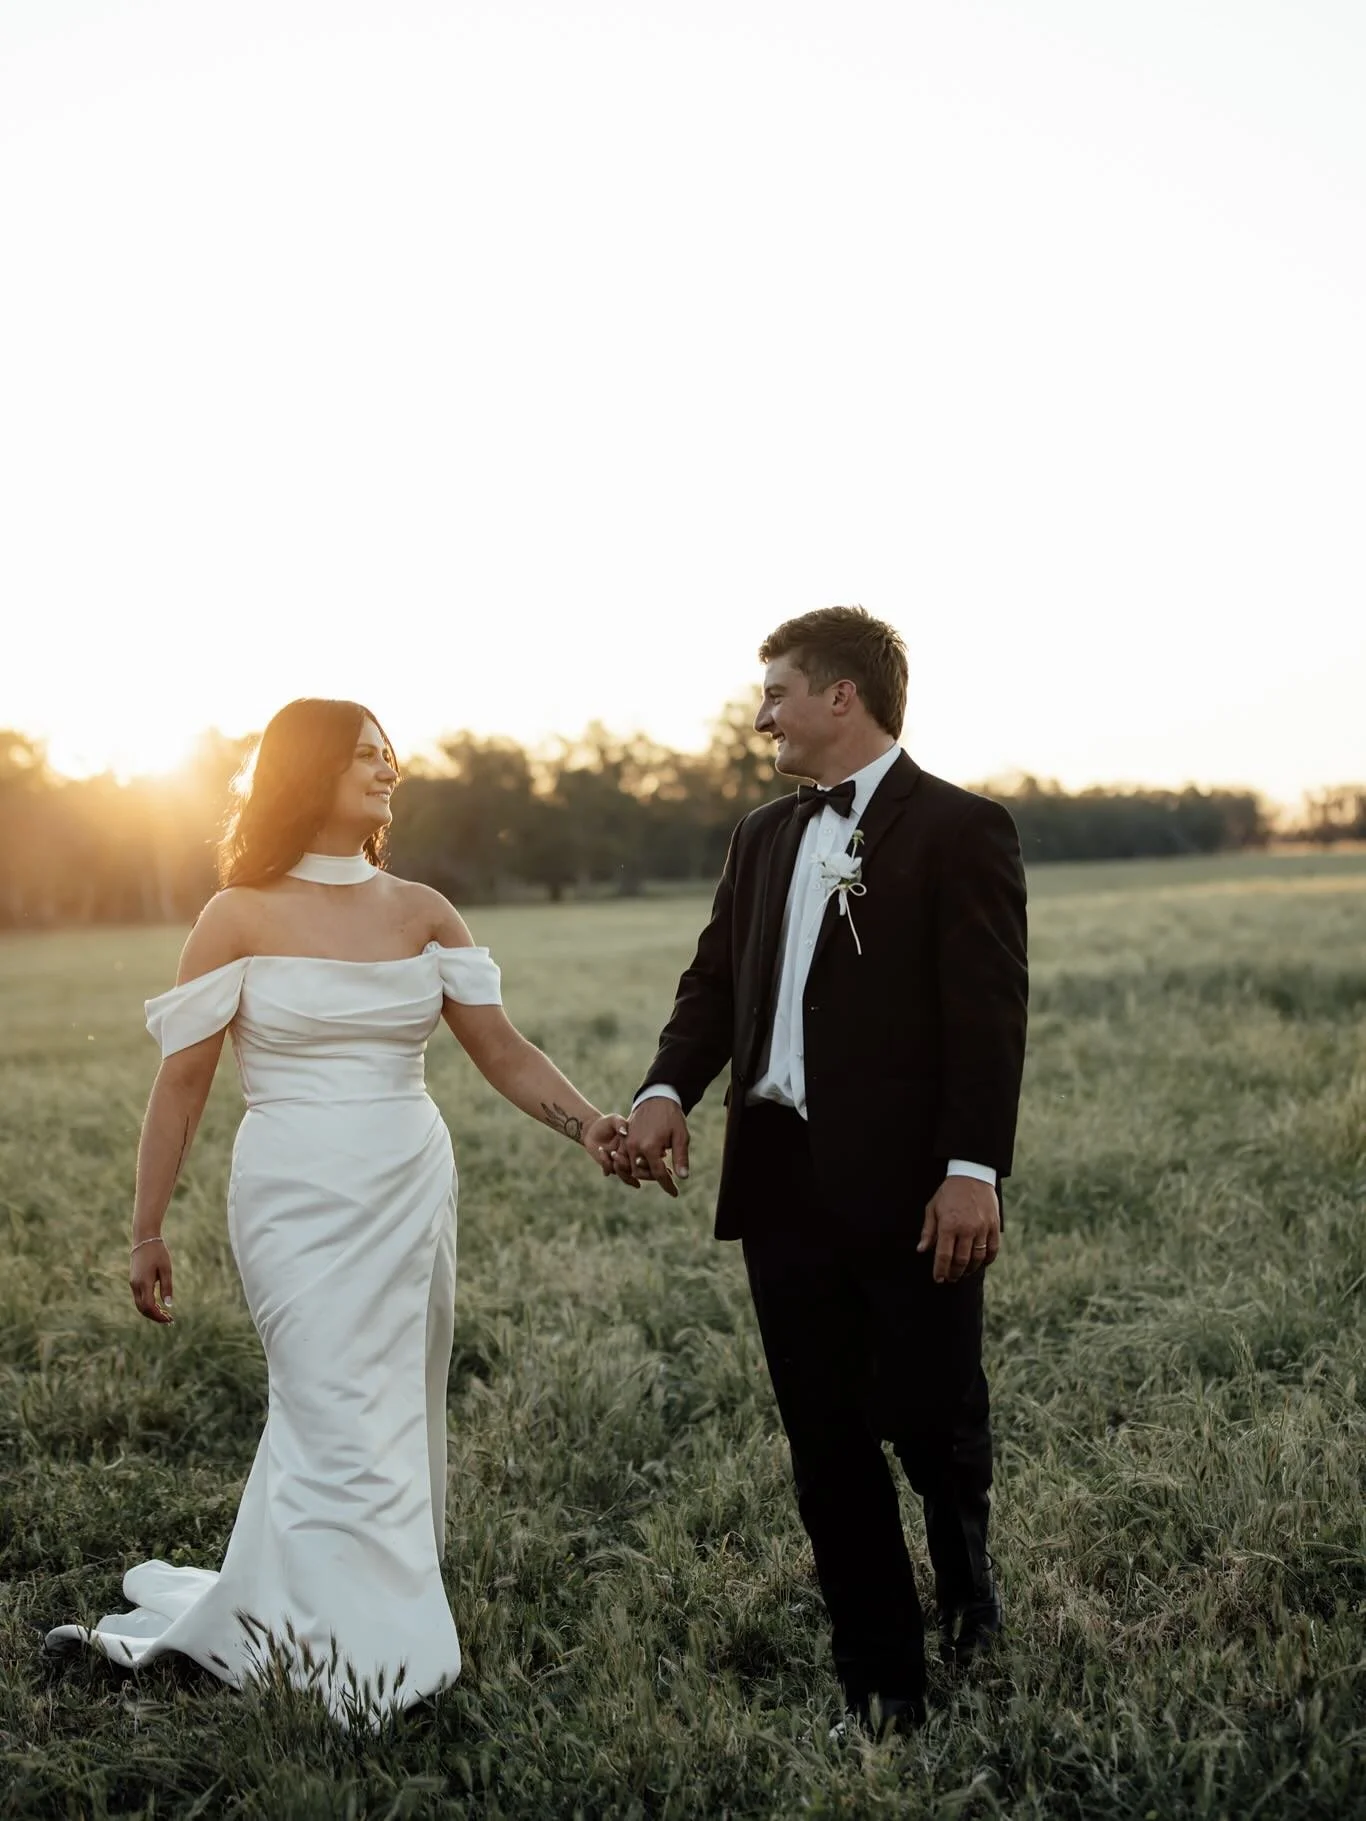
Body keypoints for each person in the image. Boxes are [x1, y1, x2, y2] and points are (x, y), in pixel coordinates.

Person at [45, 697, 628, 1725]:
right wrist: (146, 1229)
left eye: (388, 753)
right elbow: (180, 1085)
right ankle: (349, 1645)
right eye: (364, 755)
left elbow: (501, 1050)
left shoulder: (424, 911)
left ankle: (343, 1618)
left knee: (389, 1404)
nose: (387, 768)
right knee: (324, 1405)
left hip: (406, 1185)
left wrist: (590, 1128)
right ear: (308, 773)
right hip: (291, 1196)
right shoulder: (238, 914)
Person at [617, 607, 1028, 1736]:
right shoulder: (758, 836)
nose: (762, 720)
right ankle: (882, 1682)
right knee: (825, 1440)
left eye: (777, 694)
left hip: (911, 1189)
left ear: (841, 696)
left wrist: (970, 1169)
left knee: (934, 1419)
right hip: (781, 1182)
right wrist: (664, 1089)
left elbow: (986, 1021)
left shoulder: (961, 829)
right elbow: (713, 982)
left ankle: (968, 1585)